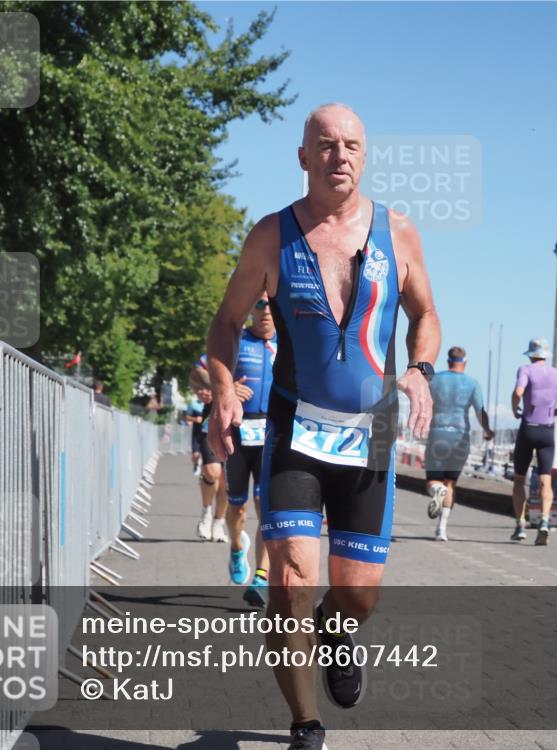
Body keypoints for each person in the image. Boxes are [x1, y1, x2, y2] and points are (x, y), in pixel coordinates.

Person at [206, 103, 439, 750]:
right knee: (288, 582)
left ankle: (339, 633)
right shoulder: (270, 236)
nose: (341, 155)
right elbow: (225, 323)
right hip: (295, 427)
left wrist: (420, 369)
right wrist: (224, 390)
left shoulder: (398, 232)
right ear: (304, 156)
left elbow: (425, 315)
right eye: (327, 144)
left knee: (359, 596)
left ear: (365, 156)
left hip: (375, 433)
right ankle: (306, 725)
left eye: (353, 145)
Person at [224, 295, 277, 607]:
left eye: (271, 304)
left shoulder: (287, 344)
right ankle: (235, 546)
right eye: (258, 304)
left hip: (271, 435)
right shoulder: (237, 340)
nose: (266, 310)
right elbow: (200, 372)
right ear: (251, 310)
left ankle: (260, 576)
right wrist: (225, 388)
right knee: (238, 508)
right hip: (239, 435)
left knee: (266, 506)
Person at [424, 346, 493, 541]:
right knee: (451, 483)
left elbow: (424, 403)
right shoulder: (472, 383)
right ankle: (441, 530)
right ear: (465, 362)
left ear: (448, 361)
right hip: (460, 435)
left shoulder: (434, 379)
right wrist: (487, 431)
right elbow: (480, 411)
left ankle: (437, 490)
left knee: (434, 480)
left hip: (438, 433)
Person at [510, 338, 557, 546]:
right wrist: (553, 412)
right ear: (546, 355)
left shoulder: (526, 370)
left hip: (528, 428)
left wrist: (515, 408)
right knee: (546, 479)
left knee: (520, 479)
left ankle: (520, 524)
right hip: (547, 431)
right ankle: (545, 521)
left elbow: (518, 392)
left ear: (530, 354)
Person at [187, 369, 229, 542]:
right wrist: (195, 448)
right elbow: (197, 428)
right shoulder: (201, 406)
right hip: (209, 435)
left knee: (226, 484)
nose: (203, 393)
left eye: (206, 389)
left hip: (232, 434)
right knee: (212, 472)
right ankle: (206, 514)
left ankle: (219, 523)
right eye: (199, 390)